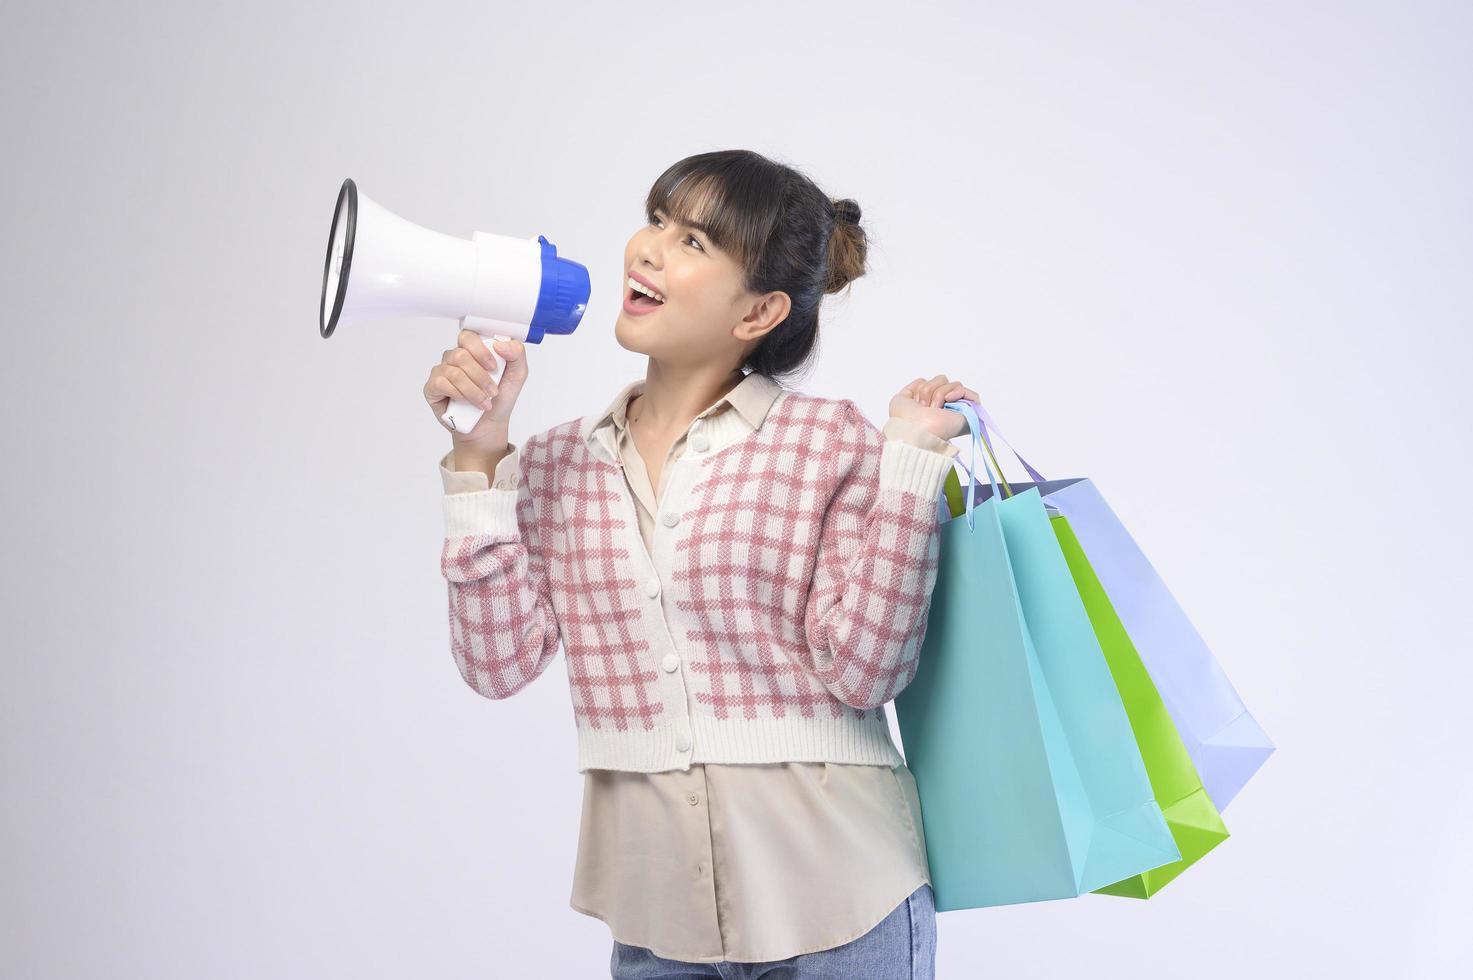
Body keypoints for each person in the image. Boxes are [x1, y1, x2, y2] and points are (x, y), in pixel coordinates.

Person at [424, 149, 978, 978]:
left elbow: (866, 671)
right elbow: (495, 666)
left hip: (841, 905)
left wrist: (905, 470)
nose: (646, 249)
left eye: (691, 242)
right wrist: (478, 456)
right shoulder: (552, 463)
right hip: (657, 925)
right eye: (655, 220)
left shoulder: (825, 441)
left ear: (757, 313)